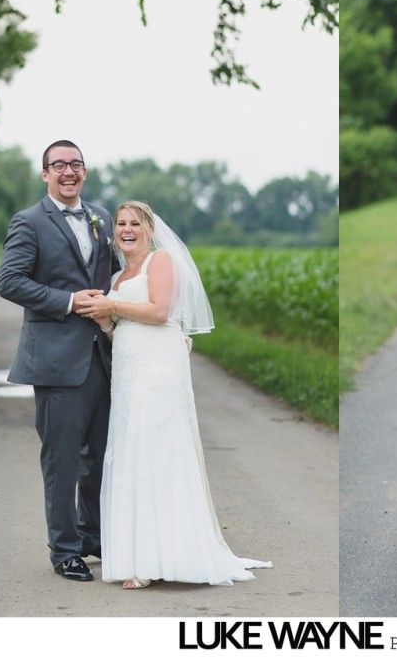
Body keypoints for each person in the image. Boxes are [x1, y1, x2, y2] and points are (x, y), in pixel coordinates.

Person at [75, 200, 271, 589]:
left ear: (149, 229)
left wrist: (113, 306)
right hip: (130, 372)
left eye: (135, 223)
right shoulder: (116, 279)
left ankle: (162, 557)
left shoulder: (159, 262)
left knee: (158, 450)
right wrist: (107, 323)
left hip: (159, 371)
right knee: (132, 450)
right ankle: (140, 554)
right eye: (120, 224)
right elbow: (123, 331)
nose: (126, 230)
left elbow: (160, 312)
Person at [0, 140, 115, 582]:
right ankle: (64, 550)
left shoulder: (101, 216)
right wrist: (68, 301)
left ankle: (92, 536)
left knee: (100, 456)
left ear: (84, 171)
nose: (69, 171)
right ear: (45, 174)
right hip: (55, 360)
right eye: (59, 164)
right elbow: (10, 281)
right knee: (62, 460)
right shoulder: (29, 222)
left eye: (76, 163)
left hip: (102, 357)